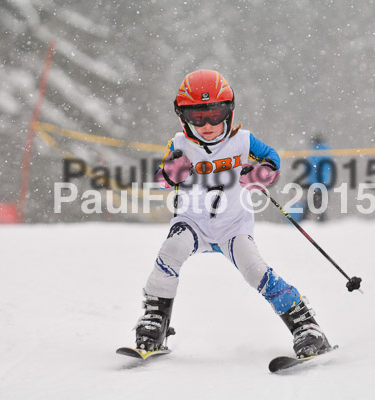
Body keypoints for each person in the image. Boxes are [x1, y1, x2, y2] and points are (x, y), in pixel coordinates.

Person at [132, 69, 331, 358]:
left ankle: (305, 326)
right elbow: (161, 181)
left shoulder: (243, 141)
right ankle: (155, 320)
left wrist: (260, 175)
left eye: (215, 113)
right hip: (192, 223)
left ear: (229, 111)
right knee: (170, 251)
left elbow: (273, 162)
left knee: (256, 272)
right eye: (197, 117)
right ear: (182, 116)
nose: (208, 124)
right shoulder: (179, 144)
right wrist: (171, 174)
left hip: (233, 226)